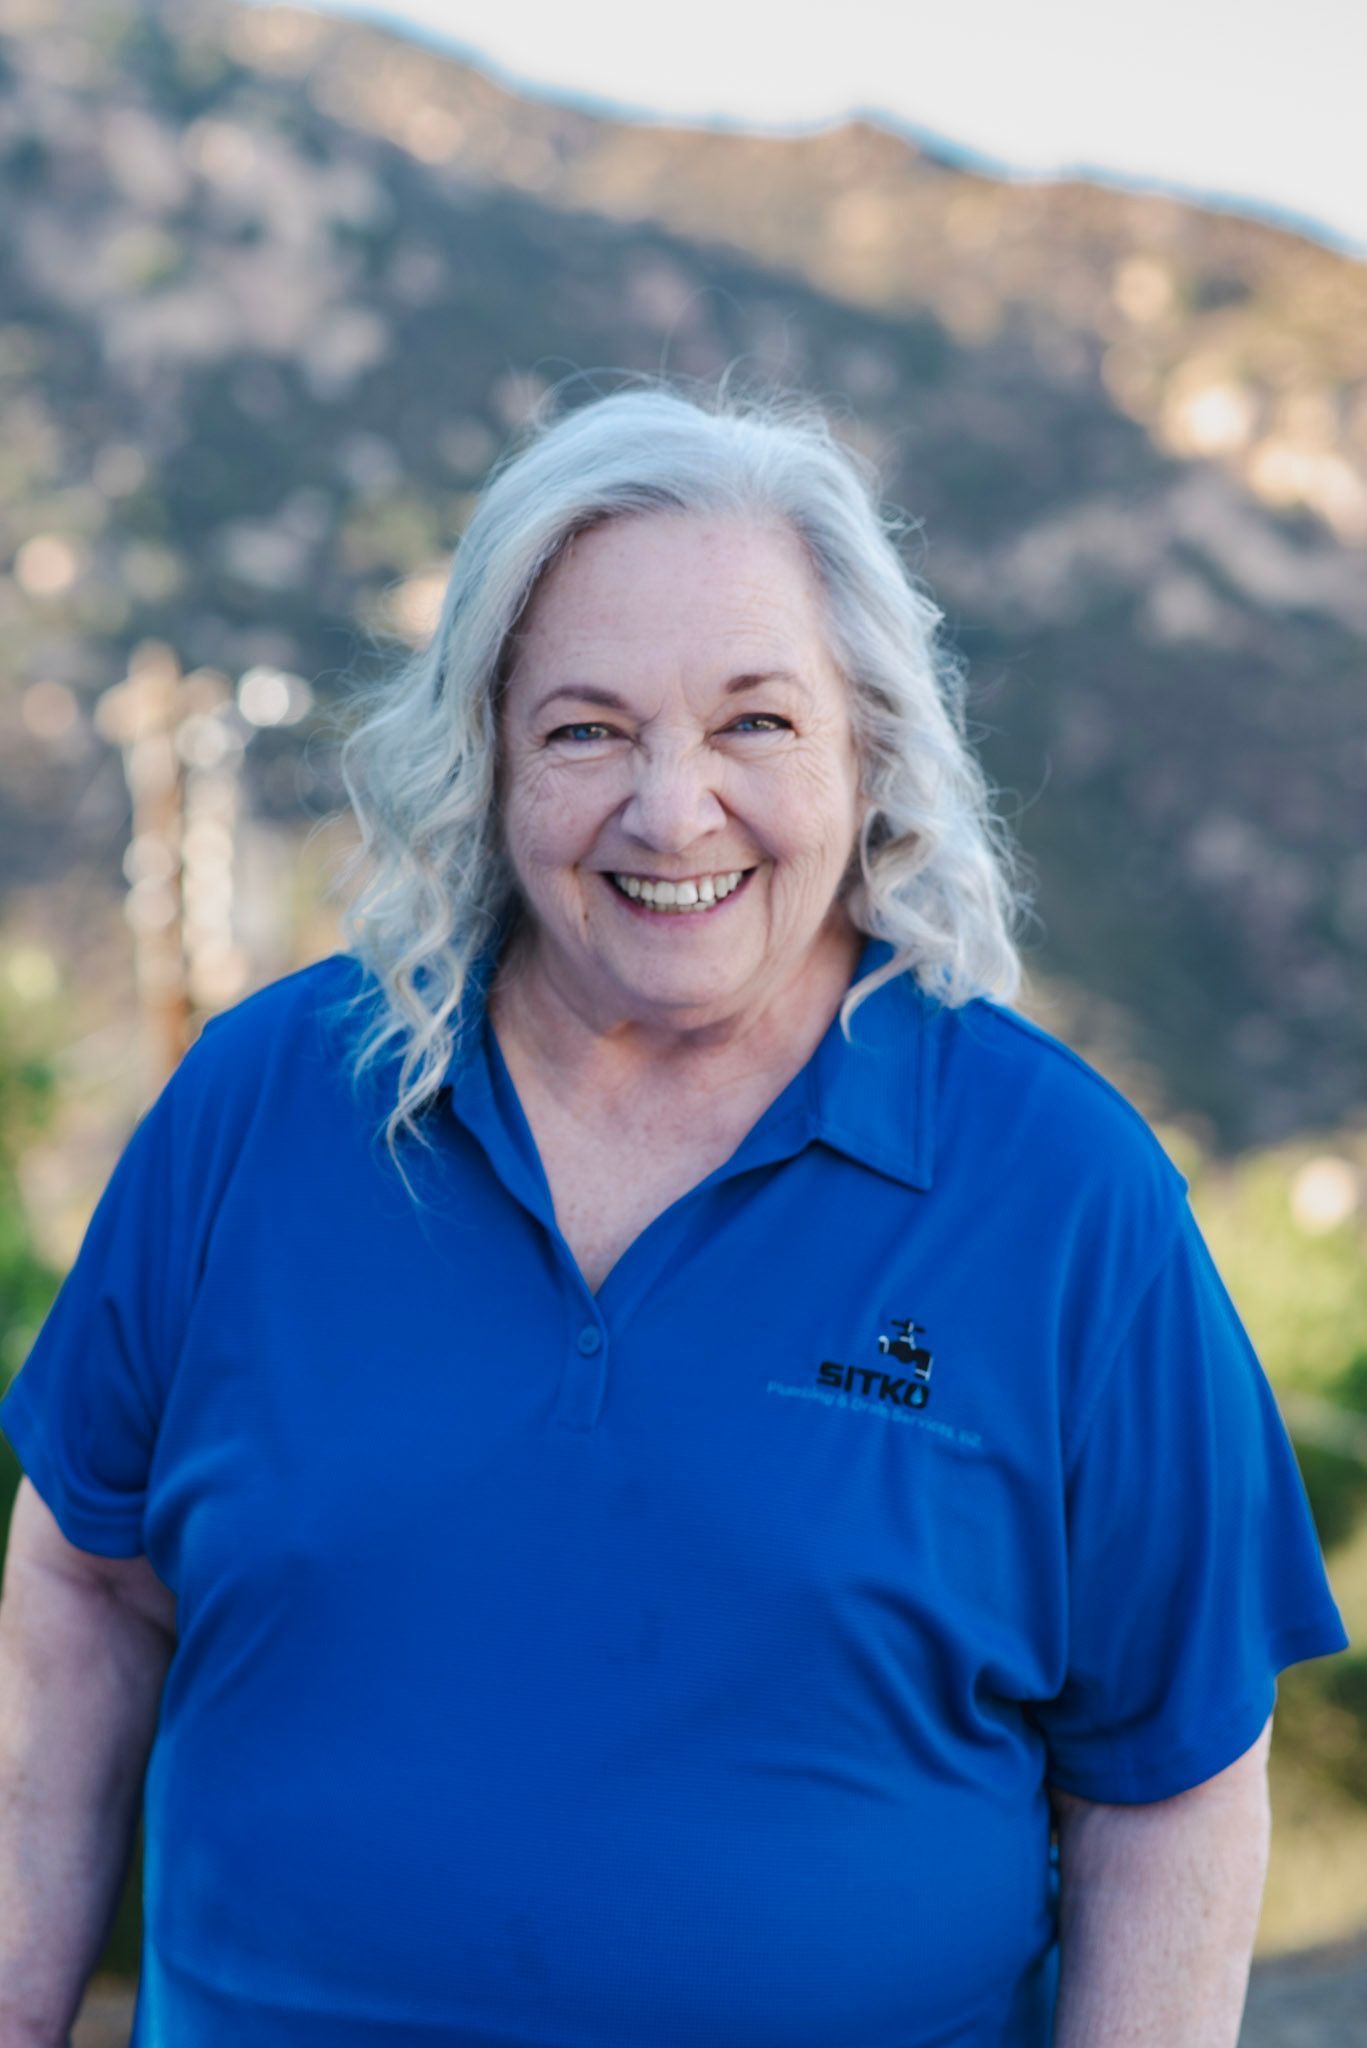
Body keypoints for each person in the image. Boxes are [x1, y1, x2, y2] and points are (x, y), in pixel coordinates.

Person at [0, 375, 1348, 2048]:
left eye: (755, 723)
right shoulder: (262, 1103)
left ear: (870, 747)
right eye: (586, 729)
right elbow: (85, 1589)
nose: (671, 808)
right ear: (483, 758)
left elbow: (1174, 1782)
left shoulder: (1069, 1199)